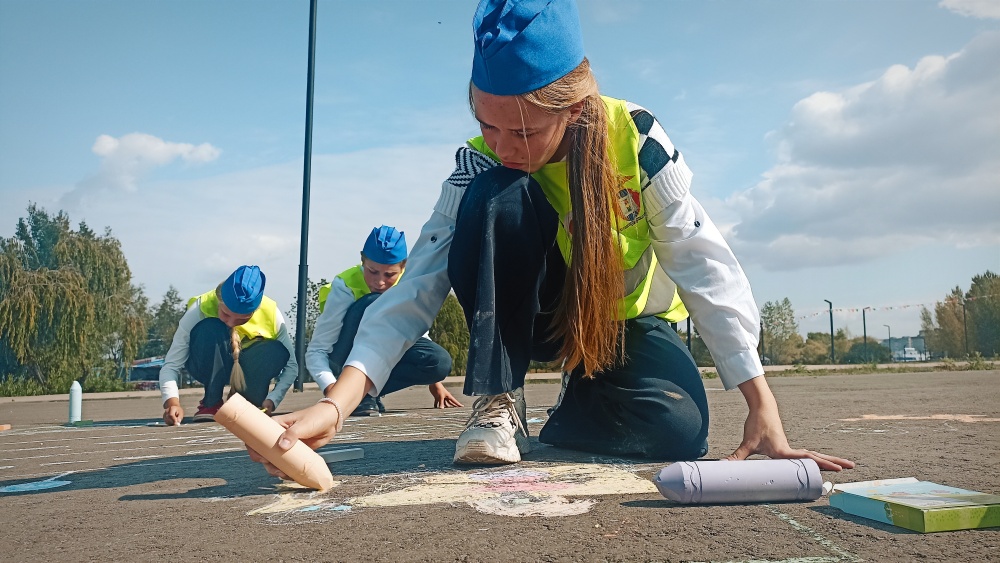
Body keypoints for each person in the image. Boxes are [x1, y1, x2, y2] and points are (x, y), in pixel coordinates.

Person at [249, 0, 854, 475]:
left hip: (621, 325)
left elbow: (702, 265)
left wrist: (761, 403)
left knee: (675, 431)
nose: (501, 146)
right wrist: (337, 404)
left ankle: (575, 404)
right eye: (485, 124)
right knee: (496, 196)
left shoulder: (637, 143)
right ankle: (498, 398)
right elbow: (420, 283)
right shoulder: (481, 165)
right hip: (528, 321)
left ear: (571, 107)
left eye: (522, 131)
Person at [305, 225, 461, 417]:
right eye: (372, 271)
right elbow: (316, 351)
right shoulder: (344, 286)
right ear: (363, 260)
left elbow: (415, 333)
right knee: (375, 303)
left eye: (389, 275)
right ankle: (350, 390)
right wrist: (331, 388)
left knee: (438, 363)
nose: (379, 282)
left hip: (381, 354)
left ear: (403, 267)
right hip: (342, 354)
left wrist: (435, 383)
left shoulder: (407, 284)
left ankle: (363, 395)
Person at [159, 265, 298, 425]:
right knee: (210, 328)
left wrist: (273, 399)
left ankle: (247, 401)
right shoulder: (199, 308)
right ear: (219, 299)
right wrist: (172, 403)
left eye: (242, 319)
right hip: (207, 363)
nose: (231, 322)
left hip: (247, 367)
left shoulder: (272, 314)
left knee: (274, 350)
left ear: (255, 310)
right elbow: (172, 364)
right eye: (225, 314)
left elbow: (292, 366)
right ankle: (211, 402)